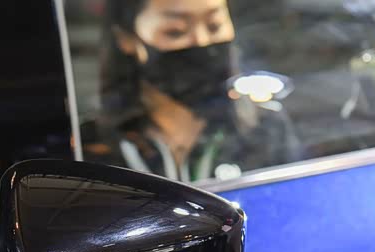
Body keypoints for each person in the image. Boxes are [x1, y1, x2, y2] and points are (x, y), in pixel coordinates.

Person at [82, 0, 303, 182]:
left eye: (214, 26)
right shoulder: (93, 148)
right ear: (127, 39)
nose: (202, 41)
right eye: (175, 32)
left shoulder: (265, 127)